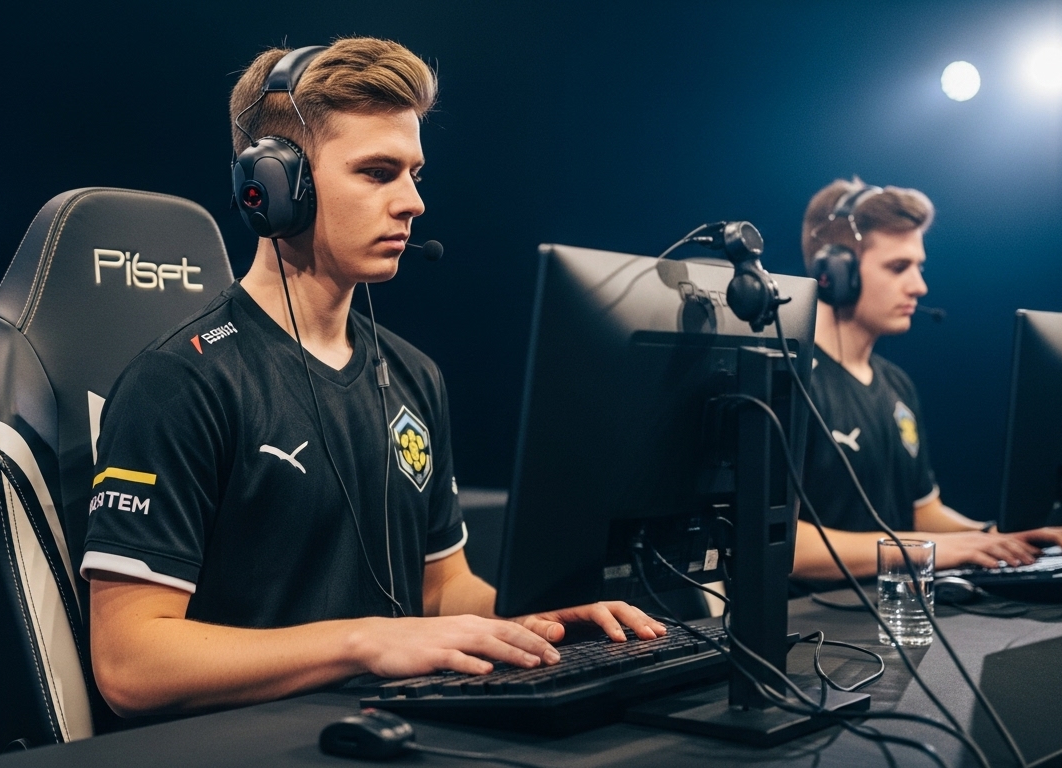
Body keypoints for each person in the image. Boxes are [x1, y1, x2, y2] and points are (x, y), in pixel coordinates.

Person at [80, 38, 665, 718]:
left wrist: (538, 616)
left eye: (414, 174)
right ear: (275, 186)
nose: (413, 202)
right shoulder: (181, 381)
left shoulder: (415, 374)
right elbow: (129, 666)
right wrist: (365, 642)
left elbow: (442, 590)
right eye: (378, 173)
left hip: (391, 725)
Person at [790, 178, 1062, 583]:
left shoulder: (896, 384)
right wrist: (931, 549)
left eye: (919, 267)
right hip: (812, 616)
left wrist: (994, 537)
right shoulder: (787, 378)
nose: (920, 286)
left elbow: (922, 513)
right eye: (898, 267)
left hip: (900, 604)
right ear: (835, 272)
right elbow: (781, 544)